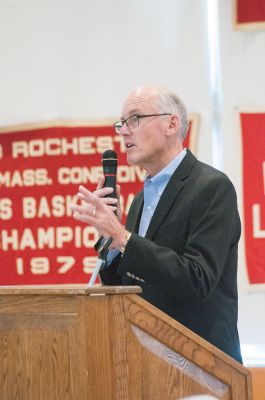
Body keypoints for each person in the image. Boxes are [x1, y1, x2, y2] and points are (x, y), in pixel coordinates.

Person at [71, 85, 242, 363]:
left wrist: (123, 237)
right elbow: (131, 285)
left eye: (135, 119)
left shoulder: (212, 188)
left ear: (171, 124)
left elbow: (197, 280)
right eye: (122, 123)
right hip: (149, 361)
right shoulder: (140, 199)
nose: (124, 131)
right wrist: (112, 243)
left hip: (203, 363)